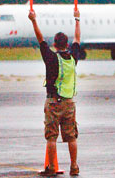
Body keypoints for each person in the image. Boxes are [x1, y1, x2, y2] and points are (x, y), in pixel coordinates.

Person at [28, 9, 81, 176]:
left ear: (55, 44)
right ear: (67, 44)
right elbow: (78, 39)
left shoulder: (50, 58)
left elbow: (40, 39)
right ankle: (74, 166)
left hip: (53, 102)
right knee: (71, 137)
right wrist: (77, 19)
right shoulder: (73, 58)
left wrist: (33, 20)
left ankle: (51, 168)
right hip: (69, 103)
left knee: (51, 137)